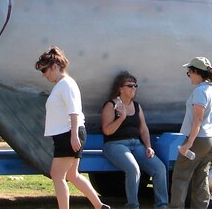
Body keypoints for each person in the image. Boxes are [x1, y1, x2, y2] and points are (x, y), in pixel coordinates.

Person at [35, 46, 110, 209]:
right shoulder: (62, 85)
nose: (44, 75)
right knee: (72, 175)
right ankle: (99, 206)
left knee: (57, 175)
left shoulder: (66, 84)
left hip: (68, 133)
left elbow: (74, 111)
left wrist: (74, 135)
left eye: (45, 70)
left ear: (55, 67)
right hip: (67, 133)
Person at [101, 71, 168, 209]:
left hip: (136, 144)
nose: (133, 88)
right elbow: (107, 131)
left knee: (159, 168)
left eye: (135, 85)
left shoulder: (137, 106)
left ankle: (162, 205)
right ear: (120, 88)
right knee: (133, 169)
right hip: (115, 144)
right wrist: (121, 118)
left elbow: (143, 129)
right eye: (130, 85)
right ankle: (133, 206)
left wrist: (148, 146)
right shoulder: (111, 105)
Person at [168, 57, 212, 209]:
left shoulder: (200, 92)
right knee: (201, 176)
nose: (189, 75)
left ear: (197, 72)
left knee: (180, 176)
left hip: (199, 138)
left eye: (189, 72)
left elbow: (197, 119)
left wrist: (188, 144)